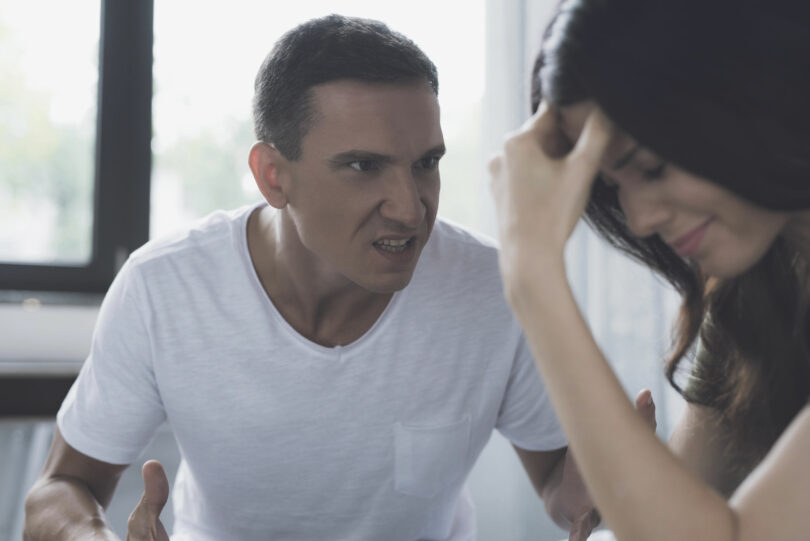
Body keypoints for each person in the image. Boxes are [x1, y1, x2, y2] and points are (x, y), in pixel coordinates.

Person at [24, 14, 598, 541]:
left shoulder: (493, 288)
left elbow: (557, 478)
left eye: (425, 162)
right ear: (274, 176)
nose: (409, 208)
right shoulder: (162, 288)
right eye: (363, 166)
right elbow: (60, 489)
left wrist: (606, 489)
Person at [489, 1, 810, 540]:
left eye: (651, 167)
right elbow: (676, 511)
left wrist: (533, 273)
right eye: (616, 186)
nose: (638, 219)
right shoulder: (759, 290)